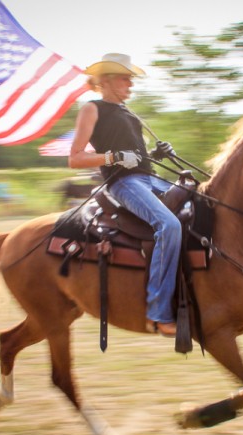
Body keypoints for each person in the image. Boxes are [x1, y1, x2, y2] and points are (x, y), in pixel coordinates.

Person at [68, 53, 180, 337]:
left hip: (149, 178)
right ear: (105, 81)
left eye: (131, 78)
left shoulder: (130, 113)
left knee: (203, 204)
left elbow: (139, 157)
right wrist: (114, 157)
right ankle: (157, 313)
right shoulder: (92, 109)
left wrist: (155, 154)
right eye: (124, 78)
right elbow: (76, 158)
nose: (130, 84)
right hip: (123, 183)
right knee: (168, 225)